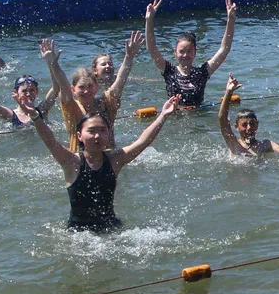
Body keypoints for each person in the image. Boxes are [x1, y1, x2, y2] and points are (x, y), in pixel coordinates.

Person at [24, 94, 180, 233]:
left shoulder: (115, 160)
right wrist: (35, 117)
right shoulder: (72, 162)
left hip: (111, 229)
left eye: (102, 130)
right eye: (91, 131)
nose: (97, 136)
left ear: (109, 134)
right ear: (79, 136)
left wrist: (163, 116)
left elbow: (143, 142)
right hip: (79, 234)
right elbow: (50, 141)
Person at [145, 0, 236, 107]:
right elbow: (152, 49)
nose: (185, 55)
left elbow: (224, 50)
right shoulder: (169, 71)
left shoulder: (202, 73)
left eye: (189, 51)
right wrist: (149, 20)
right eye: (181, 51)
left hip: (199, 115)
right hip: (174, 115)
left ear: (195, 52)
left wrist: (231, 19)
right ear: (175, 52)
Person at [40, 38, 122, 152]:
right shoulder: (71, 107)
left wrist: (129, 57)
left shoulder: (106, 103)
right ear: (73, 89)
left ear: (96, 86)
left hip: (110, 154)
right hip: (80, 157)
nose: (86, 91)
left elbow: (120, 82)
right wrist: (53, 64)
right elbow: (63, 86)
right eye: (81, 87)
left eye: (90, 86)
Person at [218, 75, 279, 164]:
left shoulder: (264, 145)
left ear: (257, 125)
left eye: (252, 124)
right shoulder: (234, 144)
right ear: (236, 127)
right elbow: (222, 118)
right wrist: (229, 92)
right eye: (244, 125)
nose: (249, 128)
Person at [0, 55, 57, 129]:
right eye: (24, 91)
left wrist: (51, 63)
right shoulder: (10, 115)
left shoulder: (42, 111)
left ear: (37, 91)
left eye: (32, 90)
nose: (28, 94)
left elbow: (56, 88)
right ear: (16, 93)